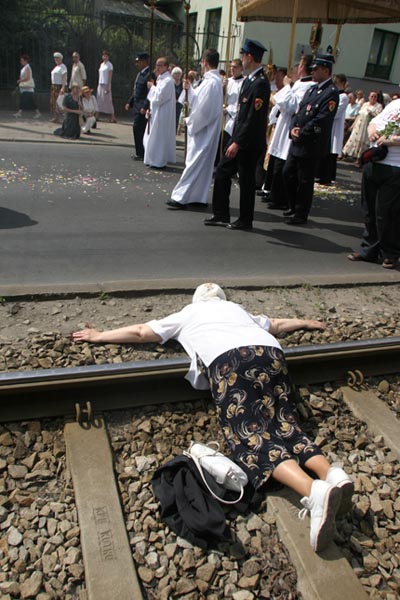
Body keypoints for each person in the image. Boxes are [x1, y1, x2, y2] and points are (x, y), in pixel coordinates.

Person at [72, 282, 354, 553]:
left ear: (197, 300)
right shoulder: (237, 310)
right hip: (272, 355)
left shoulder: (189, 313)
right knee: (286, 426)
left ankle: (313, 492)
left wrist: (100, 335)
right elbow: (277, 325)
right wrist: (305, 322)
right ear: (222, 298)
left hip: (231, 362)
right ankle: (331, 474)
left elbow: (141, 332)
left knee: (251, 438)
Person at [205, 39, 270, 230]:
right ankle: (221, 214)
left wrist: (237, 143)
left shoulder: (260, 83)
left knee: (246, 181)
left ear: (250, 56)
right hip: (240, 137)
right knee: (223, 172)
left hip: (248, 143)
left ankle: (245, 220)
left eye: (244, 55)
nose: (242, 59)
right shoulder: (250, 80)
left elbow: (253, 119)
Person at [282, 54, 339, 225]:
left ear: (326, 71)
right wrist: (293, 128)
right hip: (297, 141)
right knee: (288, 173)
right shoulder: (312, 90)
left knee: (305, 180)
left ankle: (301, 213)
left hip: (311, 144)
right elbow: (299, 112)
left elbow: (322, 120)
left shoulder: (331, 93)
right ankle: (293, 205)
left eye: (316, 69)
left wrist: (302, 132)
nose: (312, 72)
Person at [166, 49, 223, 210]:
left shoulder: (212, 83)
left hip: (203, 131)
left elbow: (204, 111)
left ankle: (180, 197)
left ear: (204, 62)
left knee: (194, 163)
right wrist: (189, 89)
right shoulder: (210, 81)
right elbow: (198, 99)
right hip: (203, 130)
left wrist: (190, 121)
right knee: (201, 164)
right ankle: (197, 196)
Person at [347, 97, 400, 269]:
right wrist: (372, 132)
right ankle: (369, 250)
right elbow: (374, 122)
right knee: (369, 209)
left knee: (386, 213)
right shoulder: (395, 104)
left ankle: (390, 253)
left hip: (395, 166)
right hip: (375, 161)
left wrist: (391, 140)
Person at [263, 55, 314, 211]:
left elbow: (293, 106)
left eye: (300, 65)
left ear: (302, 67)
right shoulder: (299, 83)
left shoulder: (309, 86)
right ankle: (272, 192)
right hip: (282, 123)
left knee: (283, 163)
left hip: (289, 125)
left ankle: (280, 198)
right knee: (276, 159)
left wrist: (286, 87)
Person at [143, 57, 176, 169]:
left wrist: (152, 87)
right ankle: (151, 159)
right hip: (156, 113)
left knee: (159, 138)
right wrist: (150, 108)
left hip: (163, 114)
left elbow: (159, 97)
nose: (157, 67)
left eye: (160, 65)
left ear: (166, 67)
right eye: (156, 65)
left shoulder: (168, 81)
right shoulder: (161, 79)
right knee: (151, 137)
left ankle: (159, 161)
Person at [316, 73, 349, 185]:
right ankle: (321, 174)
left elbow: (336, 112)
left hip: (335, 125)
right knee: (326, 150)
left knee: (331, 150)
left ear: (343, 84)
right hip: (329, 125)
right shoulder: (334, 94)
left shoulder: (343, 97)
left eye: (337, 83)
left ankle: (327, 176)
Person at [342, 91, 383, 165]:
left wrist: (371, 113)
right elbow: (359, 115)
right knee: (354, 139)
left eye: (375, 96)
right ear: (369, 97)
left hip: (367, 127)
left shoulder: (378, 106)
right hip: (359, 126)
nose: (373, 98)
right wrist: (353, 125)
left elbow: (379, 117)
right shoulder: (365, 104)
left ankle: (360, 159)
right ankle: (348, 155)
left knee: (364, 142)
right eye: (372, 96)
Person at [125, 53, 153, 161]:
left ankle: (142, 152)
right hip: (137, 106)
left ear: (144, 61)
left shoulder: (149, 74)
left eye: (139, 62)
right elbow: (136, 90)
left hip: (142, 107)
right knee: (138, 129)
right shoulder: (140, 74)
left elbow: (150, 92)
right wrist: (130, 102)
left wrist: (145, 106)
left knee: (138, 128)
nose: (137, 64)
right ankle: (140, 152)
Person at [14, 54, 41, 119]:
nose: (21, 62)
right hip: (24, 87)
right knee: (23, 100)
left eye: (22, 60)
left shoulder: (27, 67)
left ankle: (38, 113)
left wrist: (20, 80)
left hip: (28, 88)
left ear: (25, 61)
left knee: (30, 101)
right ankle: (19, 112)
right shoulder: (25, 67)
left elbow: (27, 77)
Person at [96, 51, 116, 123]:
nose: (104, 57)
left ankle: (113, 117)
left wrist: (108, 86)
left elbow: (110, 76)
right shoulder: (101, 64)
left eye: (106, 56)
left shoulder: (110, 65)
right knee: (99, 100)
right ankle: (97, 116)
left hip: (106, 84)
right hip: (100, 84)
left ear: (108, 57)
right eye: (103, 56)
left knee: (108, 100)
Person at [50, 52, 67, 123]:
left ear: (61, 59)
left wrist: (63, 87)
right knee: (54, 102)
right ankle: (56, 117)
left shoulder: (63, 66)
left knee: (60, 102)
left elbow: (64, 77)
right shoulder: (56, 67)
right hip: (54, 86)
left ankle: (64, 118)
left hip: (59, 86)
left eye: (58, 58)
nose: (56, 59)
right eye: (55, 58)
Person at [171, 66, 183, 132]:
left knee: (177, 121)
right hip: (172, 105)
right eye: (176, 73)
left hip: (180, 105)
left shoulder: (182, 84)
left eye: (179, 73)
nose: (178, 75)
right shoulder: (171, 83)